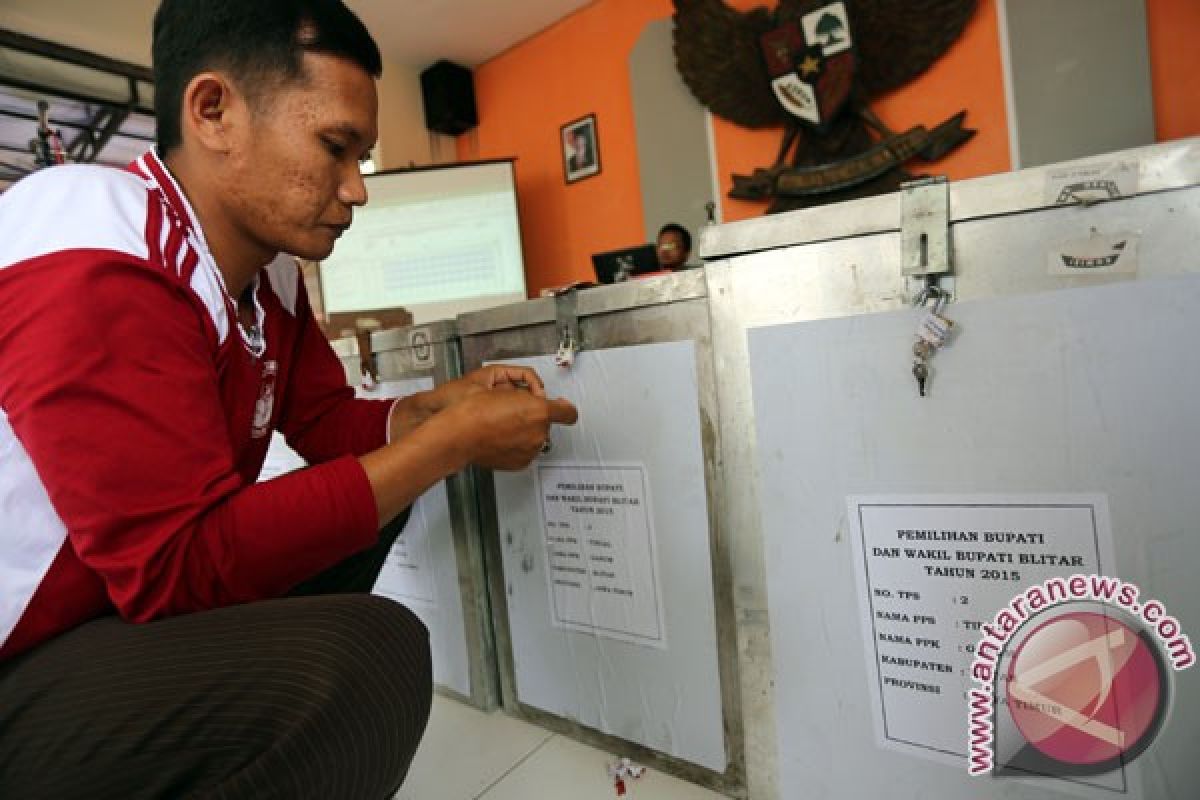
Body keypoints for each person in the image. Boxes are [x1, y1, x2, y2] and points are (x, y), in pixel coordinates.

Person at [0, 1, 577, 798]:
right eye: (335, 147)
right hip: (26, 660)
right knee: (372, 656)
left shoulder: (267, 274)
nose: (356, 190)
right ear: (214, 112)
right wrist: (449, 445)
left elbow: (332, 425)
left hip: (107, 621)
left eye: (362, 160)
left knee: (375, 499)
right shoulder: (94, 245)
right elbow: (174, 569)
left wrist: (437, 411)